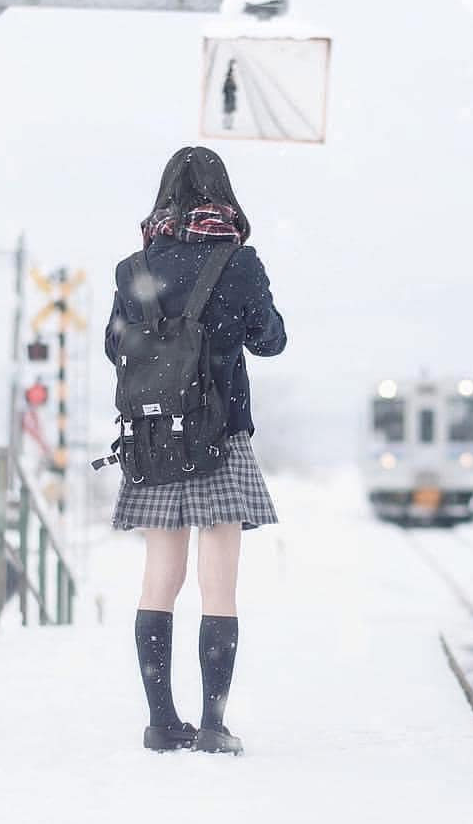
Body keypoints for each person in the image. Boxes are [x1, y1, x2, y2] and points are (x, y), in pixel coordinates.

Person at [103, 146, 287, 755]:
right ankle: (213, 723)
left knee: (160, 577)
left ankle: (161, 721)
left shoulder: (135, 267)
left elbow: (115, 348)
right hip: (220, 433)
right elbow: (270, 341)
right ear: (222, 195)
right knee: (219, 585)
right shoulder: (238, 260)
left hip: (154, 437)